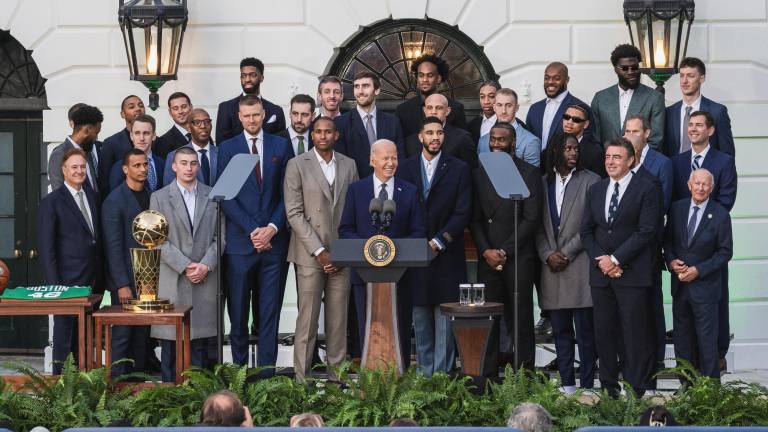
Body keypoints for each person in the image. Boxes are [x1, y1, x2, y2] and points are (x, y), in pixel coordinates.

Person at [217, 94, 293, 372]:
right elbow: (226, 197)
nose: (252, 120)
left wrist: (271, 229)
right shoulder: (228, 149)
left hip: (274, 246)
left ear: (264, 115)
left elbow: (289, 194)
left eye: (256, 115)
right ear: (239, 117)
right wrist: (253, 230)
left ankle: (266, 376)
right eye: (246, 116)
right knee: (237, 313)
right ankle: (238, 374)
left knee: (269, 314)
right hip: (241, 244)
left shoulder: (280, 146)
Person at [580, 137, 659, 397]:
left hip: (632, 275)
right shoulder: (596, 189)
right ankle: (609, 390)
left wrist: (616, 260)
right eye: (607, 157)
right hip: (601, 276)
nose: (610, 162)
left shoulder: (647, 188)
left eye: (616, 157)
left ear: (631, 160)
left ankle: (636, 391)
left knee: (633, 334)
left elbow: (646, 231)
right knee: (604, 333)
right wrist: (603, 260)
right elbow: (586, 232)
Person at [338, 139, 425, 365]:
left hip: (400, 276)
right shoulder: (357, 190)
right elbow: (345, 229)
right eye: (385, 158)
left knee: (401, 328)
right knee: (367, 329)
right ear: (372, 160)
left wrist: (394, 250)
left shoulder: (409, 190)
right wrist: (369, 250)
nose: (390, 163)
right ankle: (369, 382)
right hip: (364, 276)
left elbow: (418, 231)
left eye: (394, 157)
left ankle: (400, 381)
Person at [284, 117, 358, 381]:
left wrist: (341, 252)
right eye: (318, 131)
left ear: (336, 135)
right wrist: (319, 251)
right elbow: (293, 213)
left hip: (341, 255)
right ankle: (301, 382)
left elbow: (355, 211)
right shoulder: (296, 165)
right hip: (309, 254)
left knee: (338, 323)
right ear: (312, 135)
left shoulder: (349, 165)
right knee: (308, 321)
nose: (323, 135)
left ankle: (336, 384)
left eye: (328, 131)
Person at [398, 117, 471, 376]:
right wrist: (415, 243)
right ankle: (423, 379)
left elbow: (463, 211)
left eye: (439, 132)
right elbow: (400, 210)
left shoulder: (459, 168)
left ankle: (442, 379)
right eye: (429, 132)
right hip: (416, 257)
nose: (435, 137)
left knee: (445, 321)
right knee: (420, 320)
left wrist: (440, 241)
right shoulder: (404, 169)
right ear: (420, 137)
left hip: (447, 256)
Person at [471, 123, 542, 368]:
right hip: (488, 256)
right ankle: (487, 375)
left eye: (502, 140)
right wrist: (486, 250)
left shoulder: (529, 173)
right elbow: (475, 217)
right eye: (493, 139)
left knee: (520, 318)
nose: (497, 144)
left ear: (513, 143)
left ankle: (524, 375)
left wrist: (505, 250)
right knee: (487, 316)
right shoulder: (480, 173)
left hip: (518, 257)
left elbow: (531, 218)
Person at [671, 110, 737, 371]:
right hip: (681, 274)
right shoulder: (677, 164)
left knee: (709, 331)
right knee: (683, 336)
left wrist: (698, 266)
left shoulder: (723, 162)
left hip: (707, 267)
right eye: (690, 125)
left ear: (710, 130)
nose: (693, 129)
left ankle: (710, 385)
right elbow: (671, 230)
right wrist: (673, 260)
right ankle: (687, 385)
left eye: (699, 125)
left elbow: (726, 203)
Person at [150, 147, 222, 382]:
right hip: (174, 277)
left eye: (193, 163)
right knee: (171, 343)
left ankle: (199, 401)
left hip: (204, 278)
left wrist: (205, 265)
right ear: (174, 166)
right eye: (183, 163)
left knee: (200, 344)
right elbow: (156, 238)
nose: (189, 168)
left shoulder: (213, 195)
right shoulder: (159, 197)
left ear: (198, 166)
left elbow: (220, 236)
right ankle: (171, 398)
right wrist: (186, 266)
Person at [535, 133, 600, 393]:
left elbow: (591, 223)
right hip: (551, 268)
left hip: (579, 266)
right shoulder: (542, 183)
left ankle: (586, 386)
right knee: (561, 333)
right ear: (555, 151)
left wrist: (567, 252)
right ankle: (566, 385)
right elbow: (537, 225)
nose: (574, 153)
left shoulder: (592, 181)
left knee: (585, 335)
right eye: (568, 148)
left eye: (576, 148)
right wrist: (547, 254)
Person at [665, 168, 733, 380]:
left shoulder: (721, 214)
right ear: (689, 185)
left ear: (711, 188)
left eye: (705, 184)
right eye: (697, 183)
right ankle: (686, 392)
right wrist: (671, 261)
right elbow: (667, 242)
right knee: (683, 343)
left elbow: (725, 252)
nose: (701, 188)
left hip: (706, 290)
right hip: (680, 288)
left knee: (707, 344)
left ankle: (709, 394)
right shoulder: (676, 209)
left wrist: (698, 270)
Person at [38, 149, 102, 374]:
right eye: (74, 167)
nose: (79, 171)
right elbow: (47, 249)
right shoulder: (52, 202)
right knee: (65, 337)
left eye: (82, 167)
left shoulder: (93, 196)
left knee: (85, 337)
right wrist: (55, 285)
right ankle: (61, 387)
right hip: (65, 283)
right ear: (64, 170)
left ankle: (85, 384)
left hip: (93, 282)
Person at [623, 114, 674, 389]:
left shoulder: (661, 163)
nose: (631, 135)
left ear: (647, 133)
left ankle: (655, 362)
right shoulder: (620, 160)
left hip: (649, 247)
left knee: (652, 305)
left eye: (636, 131)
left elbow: (661, 208)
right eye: (627, 130)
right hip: (623, 249)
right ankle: (632, 364)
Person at [102, 148, 153, 378]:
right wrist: (121, 284)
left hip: (148, 277)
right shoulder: (114, 201)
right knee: (123, 333)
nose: (142, 169)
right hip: (126, 281)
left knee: (142, 333)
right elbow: (113, 247)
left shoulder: (152, 196)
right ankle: (116, 386)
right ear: (125, 169)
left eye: (144, 165)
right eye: (136, 165)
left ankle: (138, 384)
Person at [590, 44, 665, 151]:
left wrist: (635, 162)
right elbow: (595, 138)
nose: (631, 72)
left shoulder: (654, 98)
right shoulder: (600, 98)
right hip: (606, 164)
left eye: (634, 67)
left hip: (641, 164)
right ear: (616, 69)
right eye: (624, 68)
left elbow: (656, 140)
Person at [334, 71, 404, 178]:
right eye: (357, 87)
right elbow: (340, 163)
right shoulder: (341, 123)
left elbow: (400, 158)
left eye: (365, 86)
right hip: (356, 187)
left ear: (377, 90)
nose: (360, 91)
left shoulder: (392, 122)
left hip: (388, 185)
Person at [665, 57, 734, 157]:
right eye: (681, 76)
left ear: (702, 78)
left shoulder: (717, 112)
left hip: (707, 171)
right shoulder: (669, 112)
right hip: (674, 171)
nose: (684, 81)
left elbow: (727, 154)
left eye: (690, 76)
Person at [216, 57, 286, 143]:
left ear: (261, 78)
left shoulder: (276, 110)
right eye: (243, 76)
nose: (247, 79)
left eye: (252, 75)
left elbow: (280, 144)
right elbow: (222, 145)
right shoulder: (225, 108)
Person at [395, 54, 467, 137]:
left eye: (430, 75)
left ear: (439, 78)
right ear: (417, 78)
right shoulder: (403, 110)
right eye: (421, 75)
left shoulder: (456, 108)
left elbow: (461, 141)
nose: (425, 80)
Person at [526, 62, 593, 151]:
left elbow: (588, 143)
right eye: (547, 78)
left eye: (556, 78)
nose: (550, 82)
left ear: (567, 80)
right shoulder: (534, 108)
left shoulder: (579, 108)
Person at [403, 93, 478, 168]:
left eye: (439, 108)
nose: (433, 112)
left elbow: (471, 172)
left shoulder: (462, 138)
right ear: (425, 111)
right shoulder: (411, 141)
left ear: (447, 111)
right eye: (429, 108)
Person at [477, 88, 541, 167]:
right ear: (494, 107)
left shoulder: (530, 141)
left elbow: (531, 176)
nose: (503, 111)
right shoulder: (483, 140)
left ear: (516, 108)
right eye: (499, 105)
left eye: (509, 105)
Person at [48, 104, 103, 194]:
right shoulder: (59, 154)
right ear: (87, 130)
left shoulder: (87, 151)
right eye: (96, 132)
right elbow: (59, 194)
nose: (96, 138)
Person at [99, 95, 146, 197]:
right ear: (122, 114)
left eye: (141, 105)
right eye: (131, 107)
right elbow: (104, 182)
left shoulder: (156, 141)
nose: (138, 109)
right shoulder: (111, 143)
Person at [109, 114, 164, 193]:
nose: (142, 138)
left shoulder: (163, 163)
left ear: (154, 136)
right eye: (137, 133)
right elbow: (116, 198)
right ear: (131, 136)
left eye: (146, 133)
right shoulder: (119, 166)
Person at [163, 108, 218, 186]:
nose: (203, 126)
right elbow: (169, 190)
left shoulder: (222, 153)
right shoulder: (174, 155)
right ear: (189, 127)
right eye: (197, 122)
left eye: (207, 122)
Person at [559, 103, 606, 177]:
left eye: (576, 120)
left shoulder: (595, 153)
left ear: (586, 124)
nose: (569, 122)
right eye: (566, 117)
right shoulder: (553, 144)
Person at [154, 92, 193, 159]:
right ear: (170, 112)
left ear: (191, 107)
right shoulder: (163, 142)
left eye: (184, 106)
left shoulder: (202, 134)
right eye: (175, 108)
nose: (180, 111)